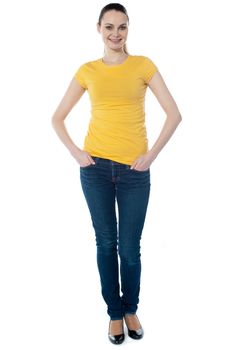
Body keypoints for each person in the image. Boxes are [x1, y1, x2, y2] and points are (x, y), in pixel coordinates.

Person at [52, 2, 182, 345]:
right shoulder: (88, 70)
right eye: (109, 27)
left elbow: (174, 114)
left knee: (129, 248)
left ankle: (131, 309)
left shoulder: (143, 66)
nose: (115, 33)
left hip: (134, 172)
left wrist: (150, 155)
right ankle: (113, 313)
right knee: (106, 243)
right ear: (98, 29)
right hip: (94, 170)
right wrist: (77, 153)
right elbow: (57, 118)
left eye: (121, 27)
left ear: (129, 29)